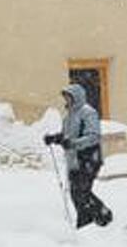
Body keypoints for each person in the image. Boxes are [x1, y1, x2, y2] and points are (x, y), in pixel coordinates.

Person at [43, 83, 112, 229]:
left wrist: (74, 144)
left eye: (69, 97)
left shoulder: (88, 113)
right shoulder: (68, 117)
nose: (67, 100)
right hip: (74, 161)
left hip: (88, 158)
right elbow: (67, 137)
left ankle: (102, 217)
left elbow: (93, 136)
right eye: (66, 97)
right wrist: (55, 138)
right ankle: (89, 220)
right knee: (76, 193)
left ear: (77, 97)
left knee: (82, 192)